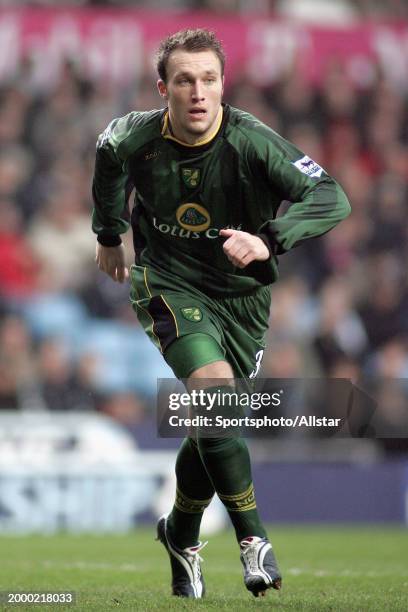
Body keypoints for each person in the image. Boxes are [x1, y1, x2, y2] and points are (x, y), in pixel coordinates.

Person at [91, 28, 351, 599]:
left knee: (214, 418)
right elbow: (107, 151)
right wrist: (108, 231)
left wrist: (270, 240)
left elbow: (332, 195)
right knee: (212, 391)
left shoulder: (253, 142)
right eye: (184, 80)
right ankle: (252, 539)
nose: (198, 92)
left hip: (243, 301)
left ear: (223, 84)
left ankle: (180, 533)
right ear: (164, 89)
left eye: (208, 79)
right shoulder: (137, 136)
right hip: (167, 282)